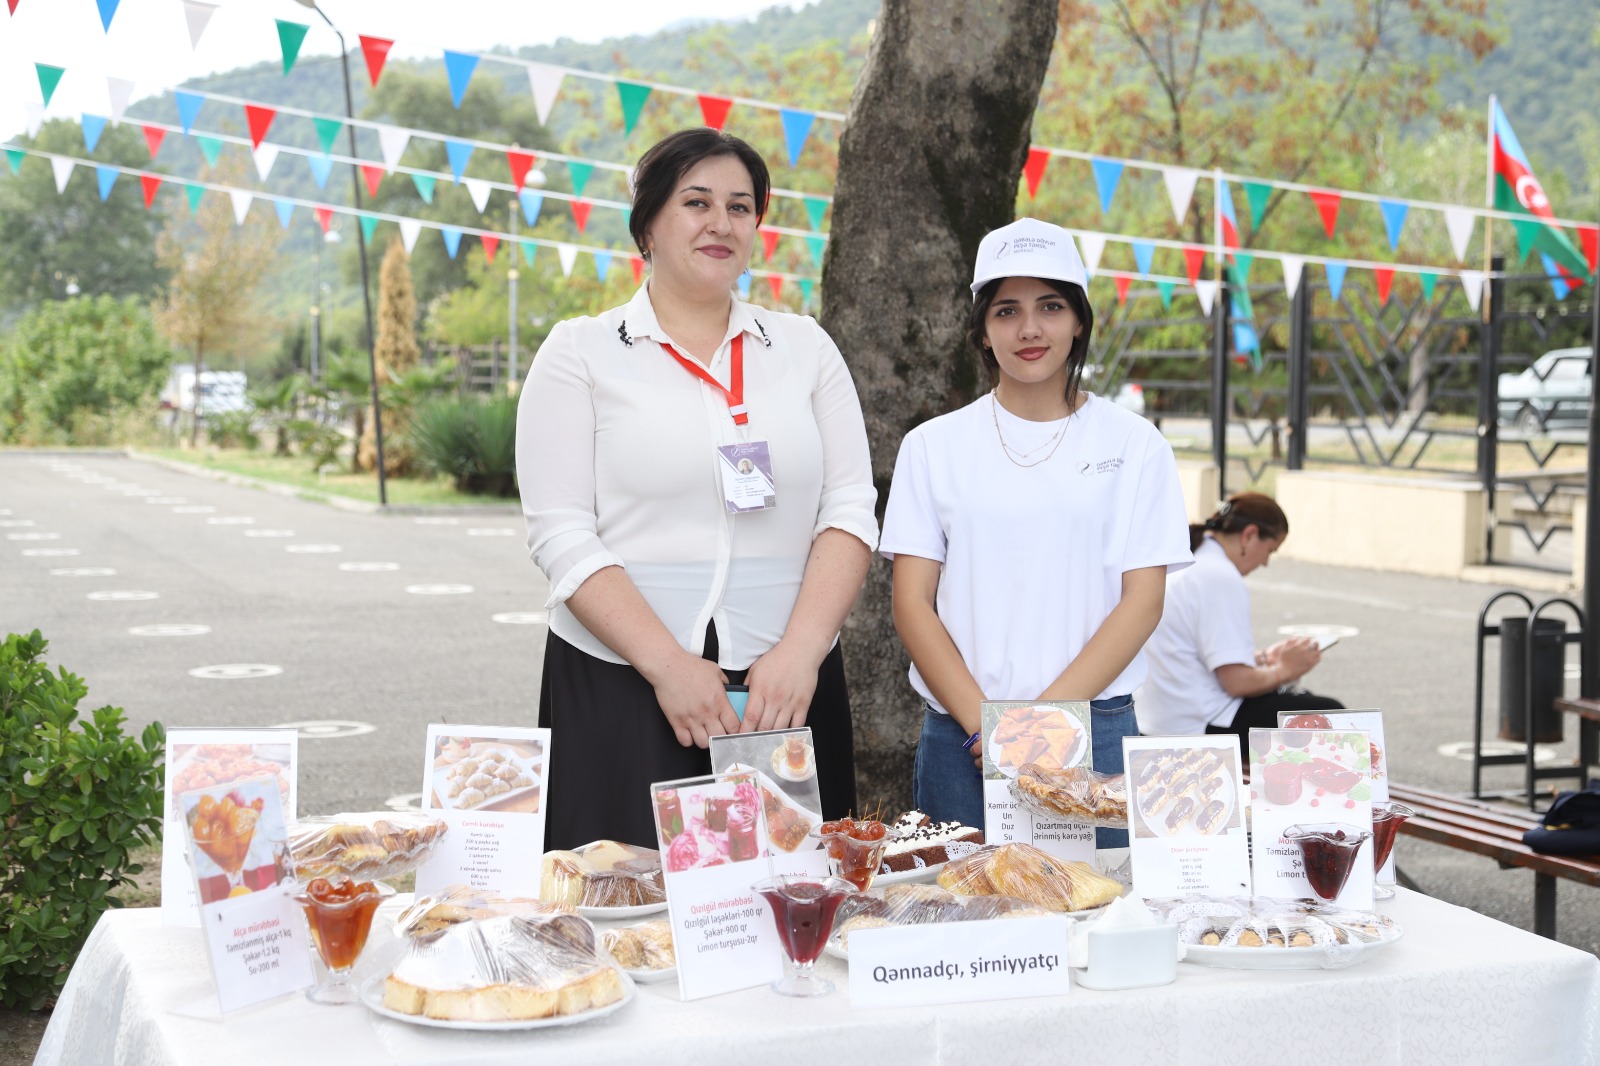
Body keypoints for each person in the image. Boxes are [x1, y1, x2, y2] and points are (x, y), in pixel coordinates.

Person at [516, 128, 878, 851]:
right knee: (628, 912)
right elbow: (560, 532)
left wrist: (802, 651)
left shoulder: (805, 348)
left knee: (793, 902)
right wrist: (669, 666)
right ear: (647, 222)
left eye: (740, 207)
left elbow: (849, 508)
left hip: (786, 689)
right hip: (626, 682)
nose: (721, 223)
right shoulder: (581, 352)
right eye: (696, 202)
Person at [879, 218, 1192, 846]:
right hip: (961, 737)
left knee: (1096, 925)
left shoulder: (1135, 445)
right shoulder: (933, 446)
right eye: (1006, 310)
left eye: (1050, 306)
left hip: (1094, 730)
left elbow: (1143, 601)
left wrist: (1042, 730)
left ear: (1078, 320)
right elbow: (912, 604)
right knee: (963, 928)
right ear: (983, 331)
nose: (1029, 328)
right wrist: (990, 732)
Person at [1135, 493, 1344, 756]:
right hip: (1197, 727)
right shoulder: (1219, 575)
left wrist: (1265, 659)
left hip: (1157, 719)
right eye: (1269, 551)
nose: (1265, 563)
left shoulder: (1190, 559)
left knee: (1302, 704)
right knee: (1330, 714)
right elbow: (1237, 683)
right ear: (1249, 535)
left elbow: (1196, 657)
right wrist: (1285, 670)